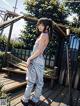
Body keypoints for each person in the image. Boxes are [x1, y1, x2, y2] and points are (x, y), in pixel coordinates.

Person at [21, 17, 53, 106]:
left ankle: (25, 100)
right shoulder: (45, 34)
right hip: (39, 60)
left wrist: (29, 58)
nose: (39, 26)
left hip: (36, 59)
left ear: (47, 26)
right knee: (39, 82)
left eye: (42, 25)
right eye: (39, 24)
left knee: (32, 82)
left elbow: (39, 51)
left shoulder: (43, 35)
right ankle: (34, 100)